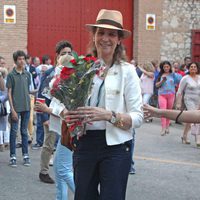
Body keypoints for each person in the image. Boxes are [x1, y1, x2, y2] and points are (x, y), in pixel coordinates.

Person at [63, 9, 143, 200]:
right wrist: (66, 113)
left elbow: (137, 117)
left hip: (116, 146)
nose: (105, 38)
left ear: (119, 40)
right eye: (101, 33)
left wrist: (108, 115)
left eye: (111, 34)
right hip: (84, 143)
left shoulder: (127, 71)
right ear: (94, 36)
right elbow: (62, 102)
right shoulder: (81, 67)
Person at [35, 51, 75, 199]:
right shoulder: (66, 82)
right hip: (65, 130)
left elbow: (67, 112)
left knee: (63, 170)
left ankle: (84, 195)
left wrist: (47, 109)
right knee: (60, 170)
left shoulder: (70, 84)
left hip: (68, 131)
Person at [6, 50, 32, 167]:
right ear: (16, 61)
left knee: (24, 132)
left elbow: (28, 90)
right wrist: (12, 110)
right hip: (16, 108)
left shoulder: (28, 74)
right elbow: (9, 93)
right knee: (13, 132)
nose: (22, 61)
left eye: (23, 59)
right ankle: (13, 156)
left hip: (26, 107)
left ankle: (25, 155)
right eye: (20, 59)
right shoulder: (11, 75)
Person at [176, 62, 200, 145]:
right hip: (189, 99)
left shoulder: (199, 77)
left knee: (189, 119)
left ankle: (184, 136)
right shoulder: (185, 78)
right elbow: (180, 91)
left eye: (195, 67)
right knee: (195, 118)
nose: (193, 68)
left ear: (197, 68)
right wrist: (178, 103)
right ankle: (197, 138)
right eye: (191, 67)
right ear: (189, 69)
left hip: (198, 100)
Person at [156, 61, 181, 136]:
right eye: (164, 67)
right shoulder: (160, 75)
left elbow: (179, 80)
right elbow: (156, 85)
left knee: (169, 111)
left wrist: (173, 73)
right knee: (163, 111)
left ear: (170, 67)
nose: (166, 68)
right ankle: (163, 128)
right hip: (162, 95)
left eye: (167, 66)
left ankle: (167, 126)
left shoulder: (173, 75)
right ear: (162, 68)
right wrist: (162, 81)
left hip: (171, 95)